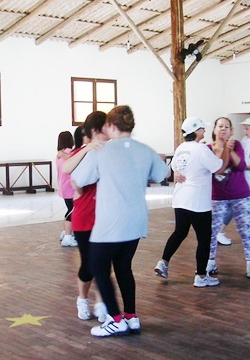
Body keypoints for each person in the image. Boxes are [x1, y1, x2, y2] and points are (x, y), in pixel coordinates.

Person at [71, 105, 168, 337]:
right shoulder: (145, 150)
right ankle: (131, 316)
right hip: (136, 221)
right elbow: (162, 174)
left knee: (98, 266)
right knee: (124, 268)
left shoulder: (102, 151)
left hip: (109, 222)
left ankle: (115, 319)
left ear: (112, 126)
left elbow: (80, 179)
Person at [154, 116, 228, 287]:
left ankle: (163, 262)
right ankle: (201, 276)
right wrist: (224, 148)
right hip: (198, 201)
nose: (204, 131)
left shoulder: (181, 148)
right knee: (204, 238)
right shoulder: (200, 149)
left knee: (180, 232)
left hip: (180, 198)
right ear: (196, 131)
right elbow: (218, 168)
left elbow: (174, 168)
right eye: (202, 129)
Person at [62, 112, 108, 322]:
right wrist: (87, 148)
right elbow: (66, 168)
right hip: (84, 217)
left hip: (106, 216)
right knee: (88, 264)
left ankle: (101, 301)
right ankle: (82, 299)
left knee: (104, 262)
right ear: (95, 131)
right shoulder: (82, 152)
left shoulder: (111, 151)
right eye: (106, 128)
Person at [206, 117, 250, 279]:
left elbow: (241, 166)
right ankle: (210, 261)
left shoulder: (237, 145)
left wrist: (231, 150)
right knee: (212, 231)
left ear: (232, 131)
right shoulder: (207, 149)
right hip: (217, 196)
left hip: (240, 194)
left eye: (227, 127)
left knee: (245, 229)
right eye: (220, 126)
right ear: (214, 130)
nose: (223, 129)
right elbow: (212, 169)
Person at [216, 118, 250, 246]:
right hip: (245, 181)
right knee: (236, 206)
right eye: (244, 128)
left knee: (247, 207)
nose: (245, 131)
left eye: (247, 128)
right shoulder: (245, 141)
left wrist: (245, 167)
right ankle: (220, 232)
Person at [56, 130, 77, 247]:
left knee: (70, 209)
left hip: (63, 186)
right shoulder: (69, 153)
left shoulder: (59, 154)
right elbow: (74, 158)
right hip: (70, 187)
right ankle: (68, 236)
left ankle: (65, 232)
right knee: (73, 210)